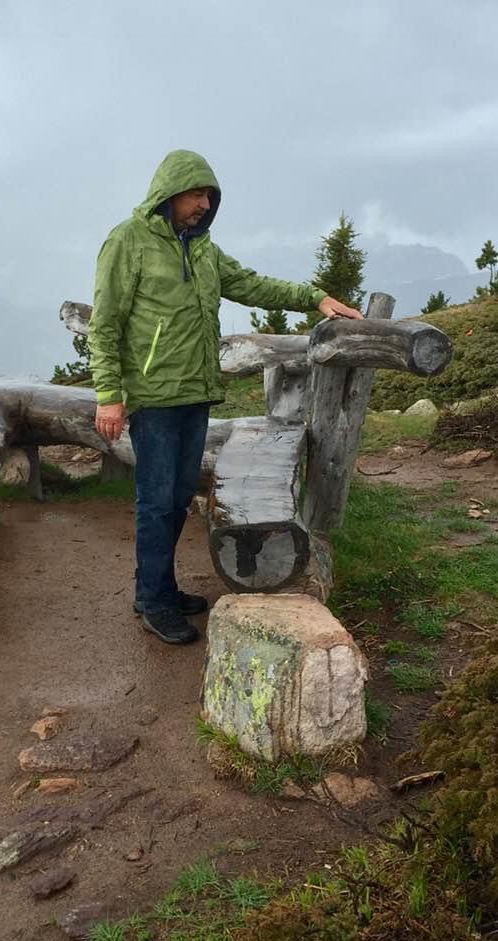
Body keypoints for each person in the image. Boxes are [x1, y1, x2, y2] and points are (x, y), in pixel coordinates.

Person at [88, 149, 362, 646]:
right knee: (156, 502)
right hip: (153, 398)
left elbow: (252, 284)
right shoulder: (128, 241)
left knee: (177, 498)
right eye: (196, 195)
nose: (204, 204)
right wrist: (109, 395)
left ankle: (158, 588)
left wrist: (314, 298)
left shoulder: (204, 250)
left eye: (209, 197)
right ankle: (153, 599)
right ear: (170, 193)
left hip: (195, 393)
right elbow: (105, 325)